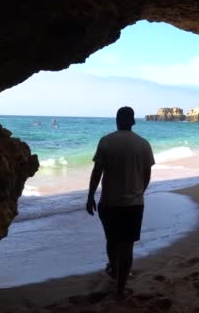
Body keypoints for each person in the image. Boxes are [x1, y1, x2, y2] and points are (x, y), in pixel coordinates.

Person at [86, 106, 155, 298]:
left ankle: (114, 270)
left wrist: (90, 196)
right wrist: (139, 191)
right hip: (134, 204)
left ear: (117, 121)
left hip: (109, 203)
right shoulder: (143, 144)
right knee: (127, 247)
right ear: (133, 121)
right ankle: (120, 289)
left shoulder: (106, 141)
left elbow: (97, 172)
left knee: (112, 240)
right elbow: (147, 174)